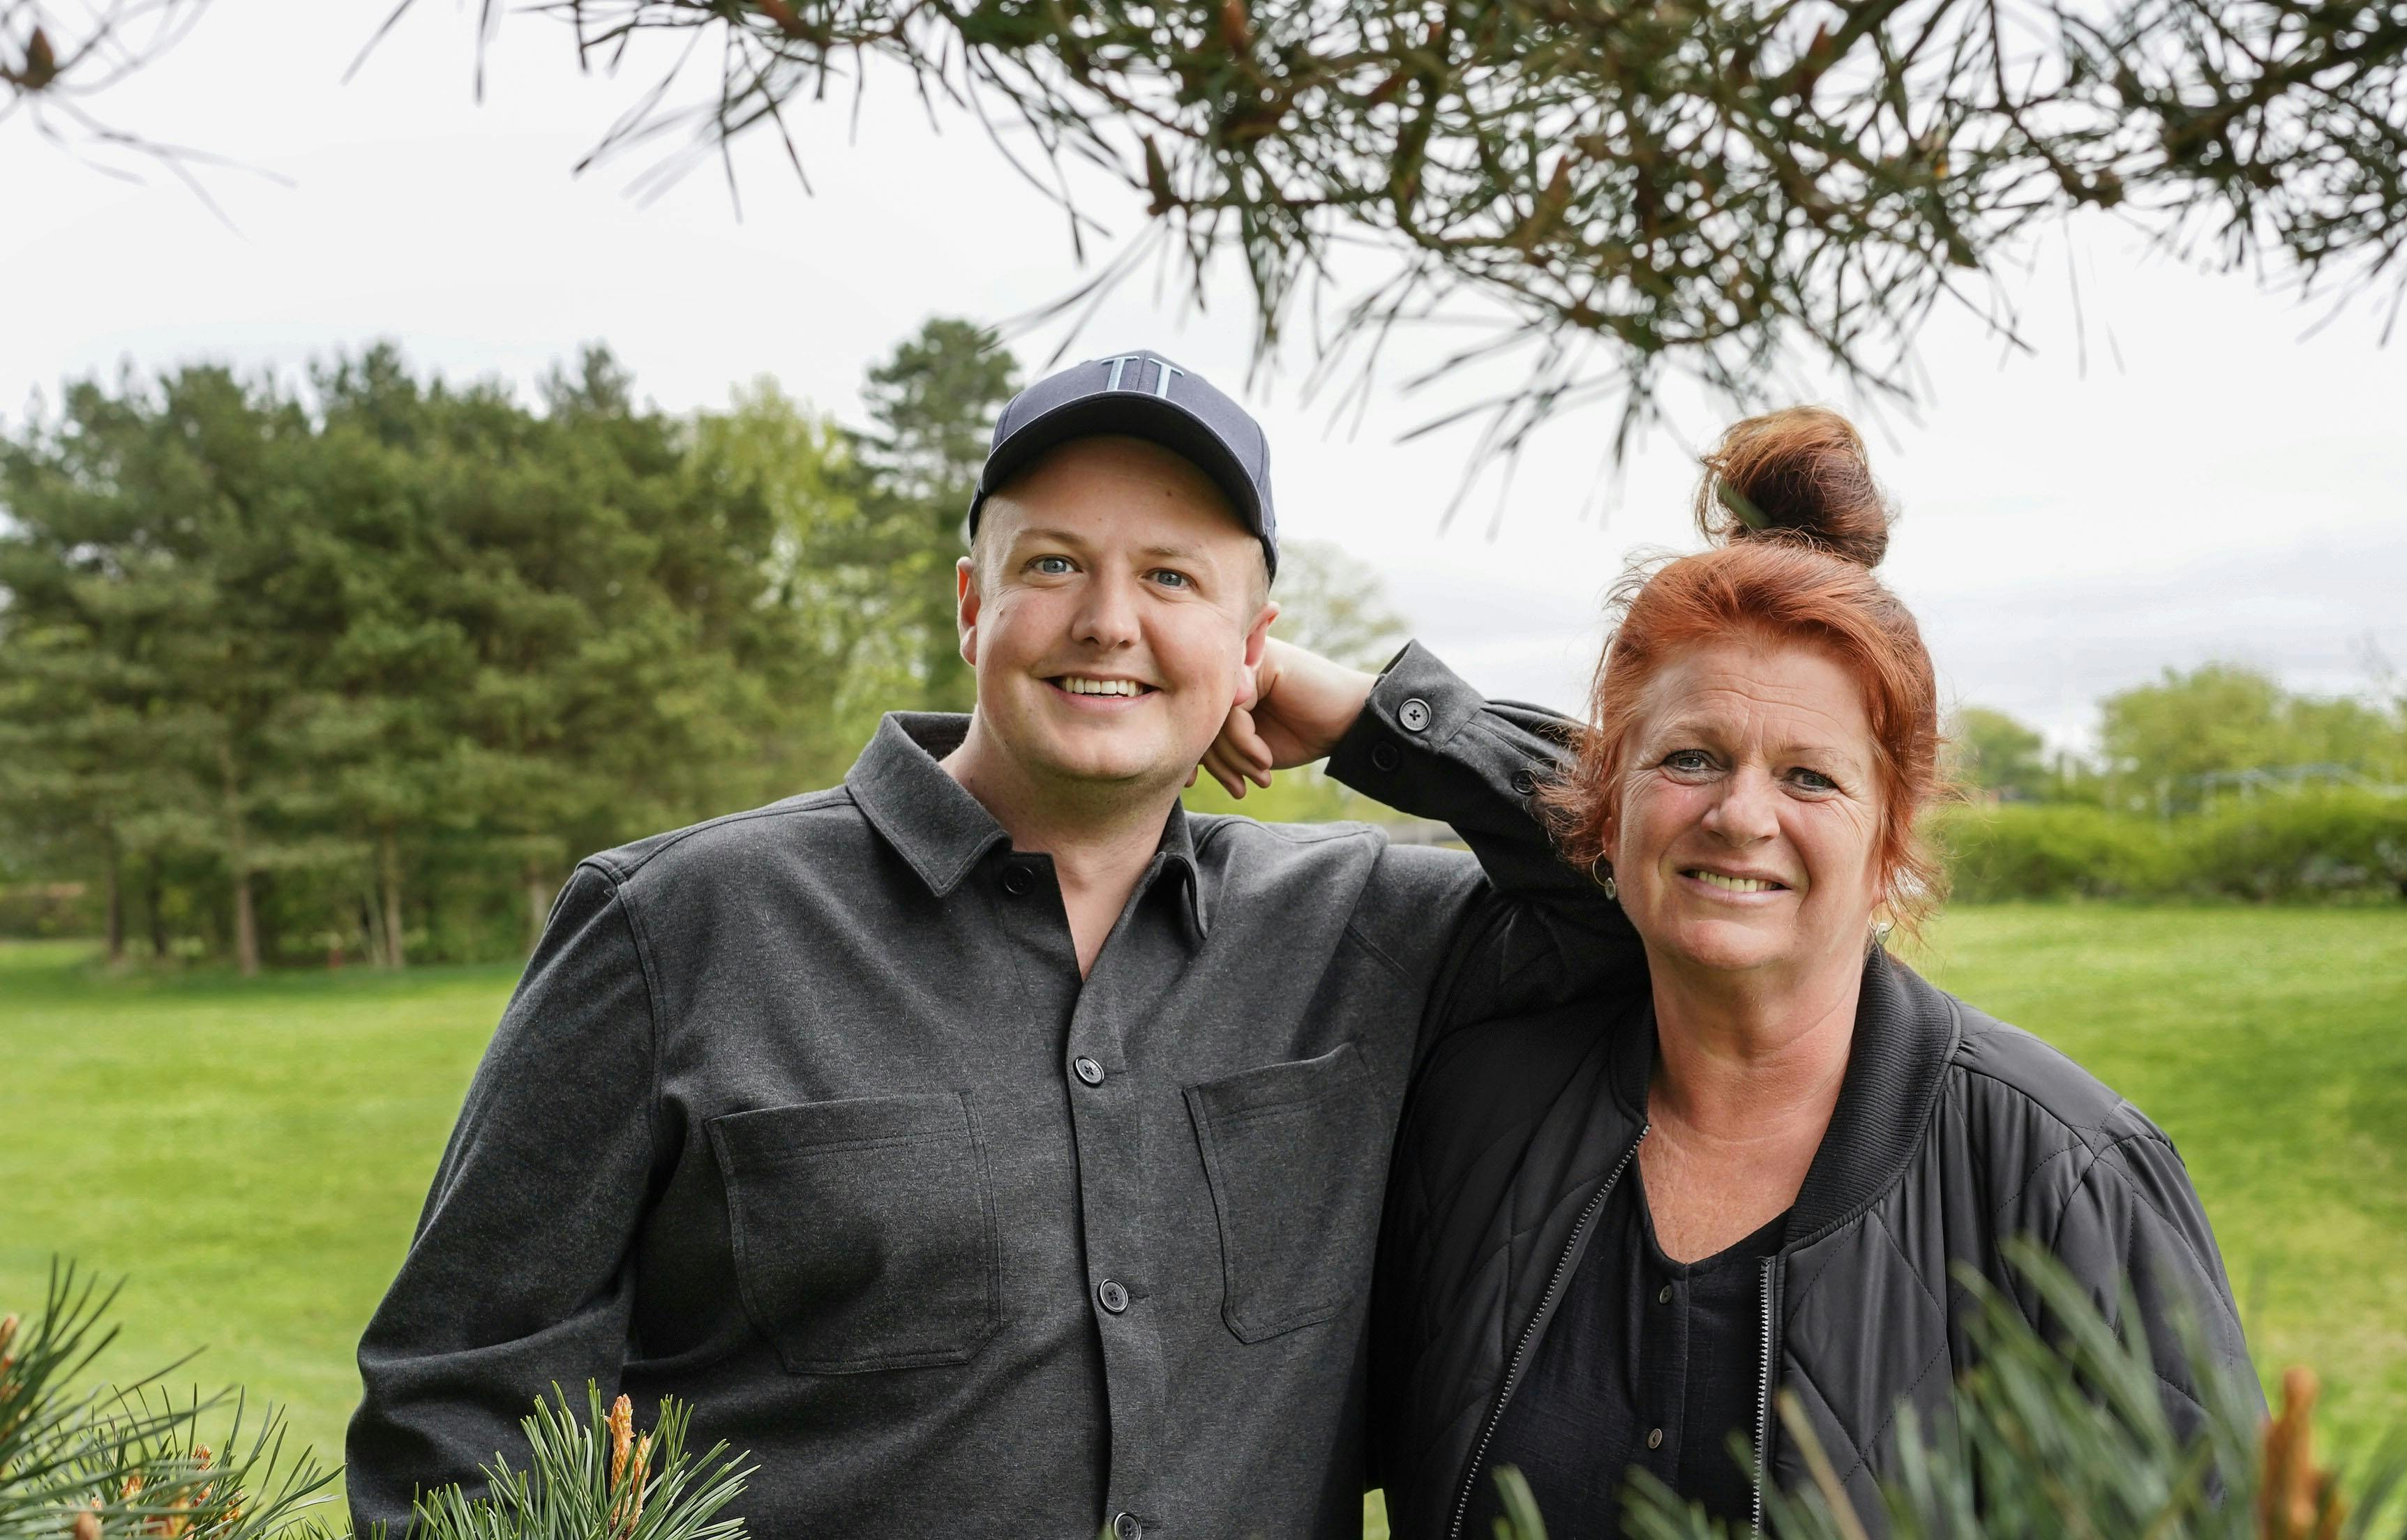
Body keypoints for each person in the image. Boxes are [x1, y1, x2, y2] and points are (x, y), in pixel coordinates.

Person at [346, 349, 1636, 1538]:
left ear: (1254, 650)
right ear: (974, 605)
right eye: (1055, 565)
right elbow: (459, 1404)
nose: (1108, 622)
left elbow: (1672, 880)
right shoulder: (676, 928)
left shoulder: (1365, 932)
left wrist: (1378, 716)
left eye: (1171, 578)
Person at [1369, 407, 2256, 1539]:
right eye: (1688, 759)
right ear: (1607, 802)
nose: (1741, 817)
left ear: (1893, 834)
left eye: (1811, 779)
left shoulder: (2066, 1177)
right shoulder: (1480, 1114)